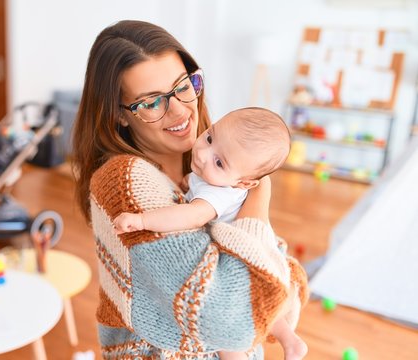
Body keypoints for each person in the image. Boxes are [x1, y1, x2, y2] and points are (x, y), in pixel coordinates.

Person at [72, 20, 309, 359]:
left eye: (183, 86)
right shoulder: (123, 180)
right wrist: (260, 198)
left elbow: (285, 278)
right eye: (151, 102)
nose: (181, 110)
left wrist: (276, 289)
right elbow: (237, 319)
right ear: (119, 115)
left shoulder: (206, 163)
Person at [113, 107, 308, 360]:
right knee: (259, 309)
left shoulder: (220, 191)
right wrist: (190, 181)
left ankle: (284, 343)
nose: (204, 154)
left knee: (230, 334)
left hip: (247, 256)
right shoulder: (218, 177)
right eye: (209, 137)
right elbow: (200, 182)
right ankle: (290, 341)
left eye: (219, 162)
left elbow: (192, 216)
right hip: (261, 260)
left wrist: (141, 220)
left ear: (244, 183)